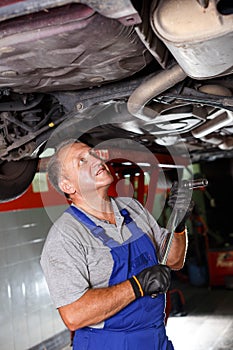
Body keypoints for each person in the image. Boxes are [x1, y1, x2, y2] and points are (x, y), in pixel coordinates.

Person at [40, 139, 190, 350]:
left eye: (92, 154)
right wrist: (137, 286)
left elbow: (174, 260)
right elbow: (74, 315)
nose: (95, 160)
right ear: (68, 186)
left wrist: (179, 222)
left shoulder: (132, 208)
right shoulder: (66, 236)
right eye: (82, 161)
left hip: (155, 338)